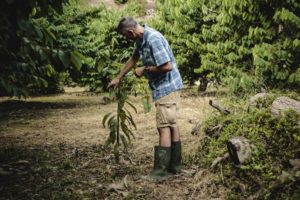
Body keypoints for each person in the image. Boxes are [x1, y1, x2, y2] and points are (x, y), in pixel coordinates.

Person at [108, 17, 183, 180]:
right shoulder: (141, 40)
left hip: (167, 87)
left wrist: (145, 70)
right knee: (171, 123)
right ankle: (175, 166)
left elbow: (167, 66)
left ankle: (161, 171)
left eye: (126, 36)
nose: (127, 39)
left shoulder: (153, 39)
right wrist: (119, 77)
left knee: (163, 126)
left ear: (130, 32)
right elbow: (133, 59)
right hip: (166, 87)